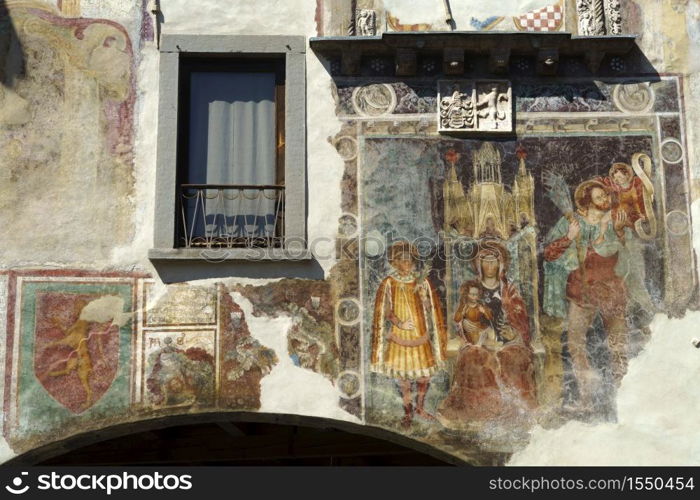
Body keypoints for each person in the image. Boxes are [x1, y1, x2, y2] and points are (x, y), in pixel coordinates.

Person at [543, 179, 629, 410]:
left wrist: (620, 233)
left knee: (618, 344)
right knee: (575, 344)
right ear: (586, 200)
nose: (605, 200)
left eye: (606, 197)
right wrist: (569, 237)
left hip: (611, 291)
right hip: (582, 291)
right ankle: (587, 397)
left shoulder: (615, 219)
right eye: (600, 197)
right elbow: (549, 253)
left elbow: (629, 253)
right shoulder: (571, 222)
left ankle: (626, 396)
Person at [438, 242, 536, 426]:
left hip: (506, 341)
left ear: (501, 265)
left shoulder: (510, 290)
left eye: (494, 262)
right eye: (486, 262)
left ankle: (513, 413)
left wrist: (513, 332)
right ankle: (482, 413)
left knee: (513, 358)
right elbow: (461, 318)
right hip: (478, 341)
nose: (490, 266)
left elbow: (521, 319)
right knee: (473, 358)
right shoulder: (472, 291)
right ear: (479, 264)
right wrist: (470, 331)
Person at [371, 241, 447, 428]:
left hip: (420, 333)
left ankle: (420, 407)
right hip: (400, 335)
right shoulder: (389, 282)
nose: (408, 263)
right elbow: (385, 311)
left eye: (410, 259)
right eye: (403, 259)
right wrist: (400, 323)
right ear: (395, 262)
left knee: (423, 376)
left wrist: (424, 299)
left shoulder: (421, 282)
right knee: (403, 377)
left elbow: (431, 308)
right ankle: (407, 412)